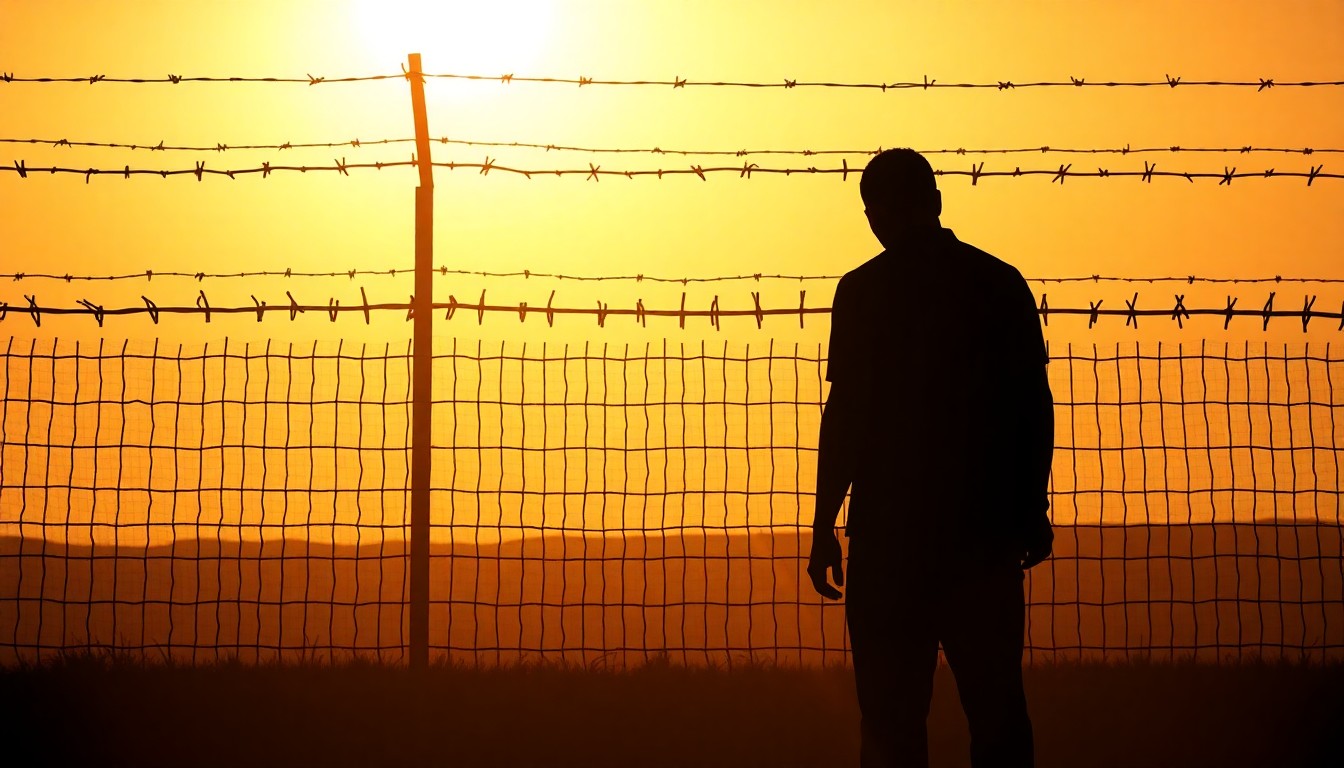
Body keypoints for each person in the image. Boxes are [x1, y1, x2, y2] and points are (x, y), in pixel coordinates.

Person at [807, 148, 1055, 768]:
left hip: (891, 542)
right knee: (997, 717)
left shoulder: (863, 291)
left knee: (891, 725)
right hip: (983, 534)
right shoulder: (998, 283)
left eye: (873, 210)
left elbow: (846, 417)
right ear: (937, 201)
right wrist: (1031, 505)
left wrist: (823, 523)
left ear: (876, 213)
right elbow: (1033, 408)